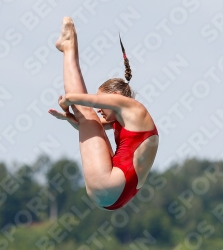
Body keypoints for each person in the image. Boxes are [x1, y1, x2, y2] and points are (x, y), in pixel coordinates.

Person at [48, 17, 159, 210]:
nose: (100, 109)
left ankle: (69, 46)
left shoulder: (133, 107)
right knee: (88, 119)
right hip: (118, 192)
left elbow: (89, 104)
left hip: (112, 186)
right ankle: (67, 47)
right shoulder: (125, 121)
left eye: (104, 101)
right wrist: (70, 119)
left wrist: (70, 99)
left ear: (114, 97)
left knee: (86, 113)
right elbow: (93, 130)